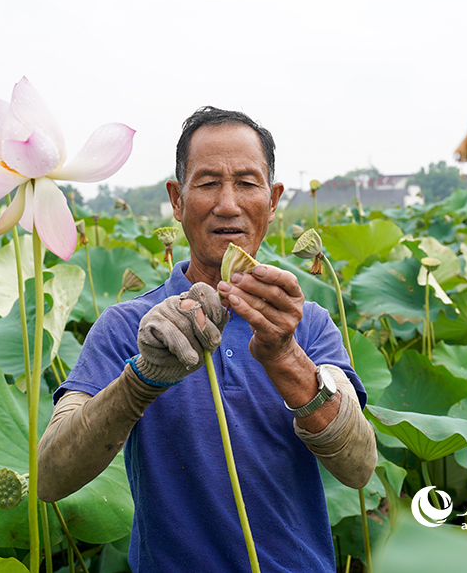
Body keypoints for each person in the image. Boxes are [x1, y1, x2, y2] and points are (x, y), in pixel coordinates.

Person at [38, 106, 377, 572]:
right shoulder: (127, 327)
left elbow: (358, 466)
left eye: (247, 182)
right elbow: (50, 476)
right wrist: (142, 379)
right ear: (177, 200)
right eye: (208, 182)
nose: (228, 204)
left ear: (273, 200)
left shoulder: (308, 323)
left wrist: (285, 356)